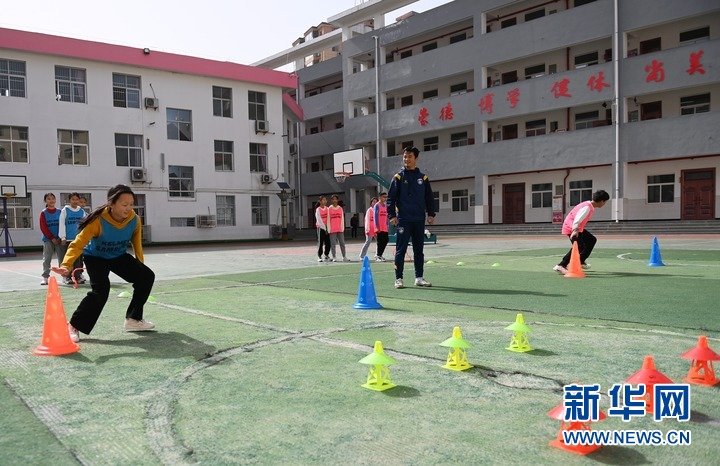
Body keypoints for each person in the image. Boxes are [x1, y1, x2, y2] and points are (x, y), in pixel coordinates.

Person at [52, 184, 155, 343]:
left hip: (118, 256)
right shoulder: (98, 220)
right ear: (111, 204)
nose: (129, 208)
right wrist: (66, 265)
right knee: (101, 291)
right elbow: (77, 244)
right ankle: (74, 326)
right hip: (95, 258)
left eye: (131, 204)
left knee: (146, 276)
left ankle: (133, 320)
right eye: (124, 204)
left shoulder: (134, 220)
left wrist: (140, 266)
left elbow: (137, 245)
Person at [387, 147, 435, 288]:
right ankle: (398, 278)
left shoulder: (423, 178)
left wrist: (431, 214)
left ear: (416, 158)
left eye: (409, 156)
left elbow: (429, 198)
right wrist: (392, 215)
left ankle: (419, 278)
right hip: (404, 219)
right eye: (405, 157)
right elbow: (391, 198)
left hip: (419, 219)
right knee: (401, 250)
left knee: (418, 250)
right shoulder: (398, 177)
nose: (406, 159)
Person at [553, 189, 610, 274]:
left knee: (592, 240)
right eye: (605, 202)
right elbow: (577, 219)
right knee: (579, 246)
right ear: (602, 201)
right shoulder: (587, 207)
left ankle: (580, 261)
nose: (604, 204)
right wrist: (575, 230)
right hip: (572, 227)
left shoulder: (589, 205)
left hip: (577, 228)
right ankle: (561, 265)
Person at [59, 192, 87, 285]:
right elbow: (62, 224)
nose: (75, 201)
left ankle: (77, 276)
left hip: (78, 240)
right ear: (69, 200)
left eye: (77, 199)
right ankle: (67, 277)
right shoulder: (65, 210)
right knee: (69, 259)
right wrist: (62, 237)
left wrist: (84, 238)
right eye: (73, 199)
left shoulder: (81, 211)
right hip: (68, 239)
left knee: (78, 260)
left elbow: (84, 226)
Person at [39, 193, 63, 286]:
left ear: (55, 200)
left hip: (59, 239)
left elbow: (63, 225)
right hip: (48, 240)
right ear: (45, 201)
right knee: (47, 259)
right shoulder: (43, 213)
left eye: (53, 198)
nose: (51, 200)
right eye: (49, 199)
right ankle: (45, 277)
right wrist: (52, 238)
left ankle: (65, 276)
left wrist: (61, 237)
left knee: (62, 258)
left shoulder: (60, 212)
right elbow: (43, 227)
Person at [326, 194, 350, 262]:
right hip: (332, 230)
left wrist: (342, 228)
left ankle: (344, 256)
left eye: (335, 199)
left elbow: (342, 219)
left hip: (340, 229)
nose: (334, 200)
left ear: (337, 200)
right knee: (333, 244)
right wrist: (328, 229)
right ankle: (334, 257)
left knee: (342, 243)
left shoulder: (340, 208)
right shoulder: (329, 209)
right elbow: (328, 219)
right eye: (333, 199)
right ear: (331, 200)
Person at [374, 192, 389, 262]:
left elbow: (386, 216)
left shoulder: (386, 206)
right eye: (384, 197)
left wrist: (387, 224)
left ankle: (380, 254)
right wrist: (377, 227)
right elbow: (376, 217)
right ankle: (378, 256)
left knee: (386, 240)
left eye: (386, 197)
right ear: (379, 197)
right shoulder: (377, 205)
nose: (385, 198)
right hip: (379, 227)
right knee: (380, 241)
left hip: (384, 227)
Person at [315, 195, 331, 262]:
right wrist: (324, 228)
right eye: (323, 200)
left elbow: (329, 218)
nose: (325, 201)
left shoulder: (327, 209)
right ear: (320, 201)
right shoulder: (318, 209)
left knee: (328, 242)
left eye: (325, 200)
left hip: (327, 228)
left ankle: (326, 255)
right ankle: (319, 256)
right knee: (320, 242)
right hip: (320, 228)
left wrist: (328, 228)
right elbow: (319, 220)